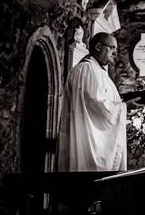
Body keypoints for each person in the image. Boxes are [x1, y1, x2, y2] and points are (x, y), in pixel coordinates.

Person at [58, 33, 137, 172]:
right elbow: (95, 105)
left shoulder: (99, 71)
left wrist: (122, 105)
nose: (115, 52)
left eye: (116, 49)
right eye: (112, 47)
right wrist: (124, 107)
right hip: (87, 142)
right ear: (99, 46)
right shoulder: (87, 69)